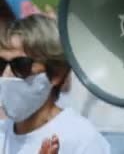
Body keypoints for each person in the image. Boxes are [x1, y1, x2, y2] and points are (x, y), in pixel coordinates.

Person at [0, 14, 110, 153]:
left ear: (56, 73)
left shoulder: (82, 139)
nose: (6, 74)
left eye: (21, 66)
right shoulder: (2, 133)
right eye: (1, 64)